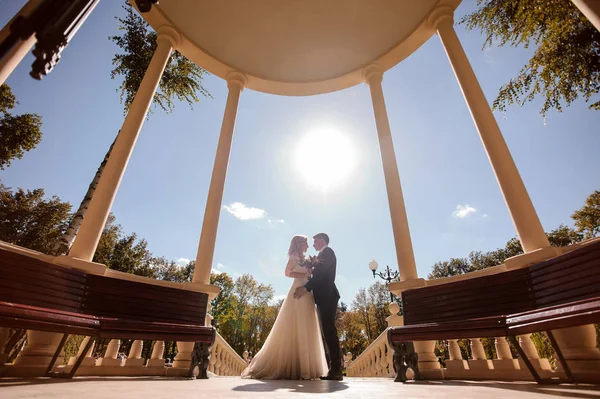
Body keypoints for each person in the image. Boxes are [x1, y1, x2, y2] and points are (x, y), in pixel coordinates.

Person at [241, 235, 328, 380]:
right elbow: (287, 273)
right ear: (299, 244)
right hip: (297, 290)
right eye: (305, 243)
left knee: (307, 325)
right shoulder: (294, 256)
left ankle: (306, 367)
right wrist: (304, 273)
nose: (307, 246)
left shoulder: (305, 258)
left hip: (307, 291)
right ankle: (296, 368)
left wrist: (309, 273)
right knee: (295, 323)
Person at [294, 233, 342, 380]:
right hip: (323, 297)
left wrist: (306, 288)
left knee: (329, 331)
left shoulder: (328, 252)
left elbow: (321, 274)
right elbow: (318, 273)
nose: (313, 245)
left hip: (328, 296)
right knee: (327, 332)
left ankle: (336, 370)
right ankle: (334, 369)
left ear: (321, 241)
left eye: (314, 242)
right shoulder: (322, 254)